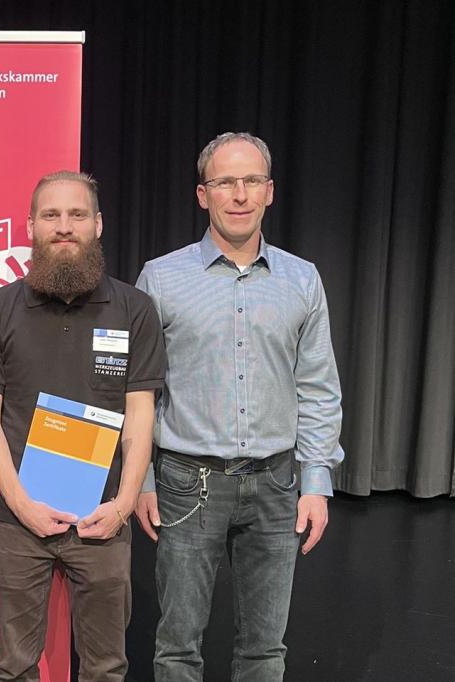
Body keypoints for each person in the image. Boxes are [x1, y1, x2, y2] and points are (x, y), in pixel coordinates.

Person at [134, 132, 344, 681]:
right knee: (178, 647)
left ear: (270, 191)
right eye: (225, 182)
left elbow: (318, 386)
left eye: (252, 181)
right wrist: (140, 480)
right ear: (202, 194)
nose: (240, 194)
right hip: (186, 483)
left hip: (276, 485)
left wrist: (316, 480)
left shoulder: (302, 278)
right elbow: (139, 391)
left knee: (264, 651)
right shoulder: (161, 277)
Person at [0, 171, 166, 681]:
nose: (64, 226)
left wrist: (123, 505)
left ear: (98, 224)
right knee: (15, 668)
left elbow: (140, 414)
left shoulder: (134, 310)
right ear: (30, 226)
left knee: (106, 667)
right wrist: (20, 503)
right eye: (50, 215)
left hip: (104, 520)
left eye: (77, 214)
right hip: (18, 523)